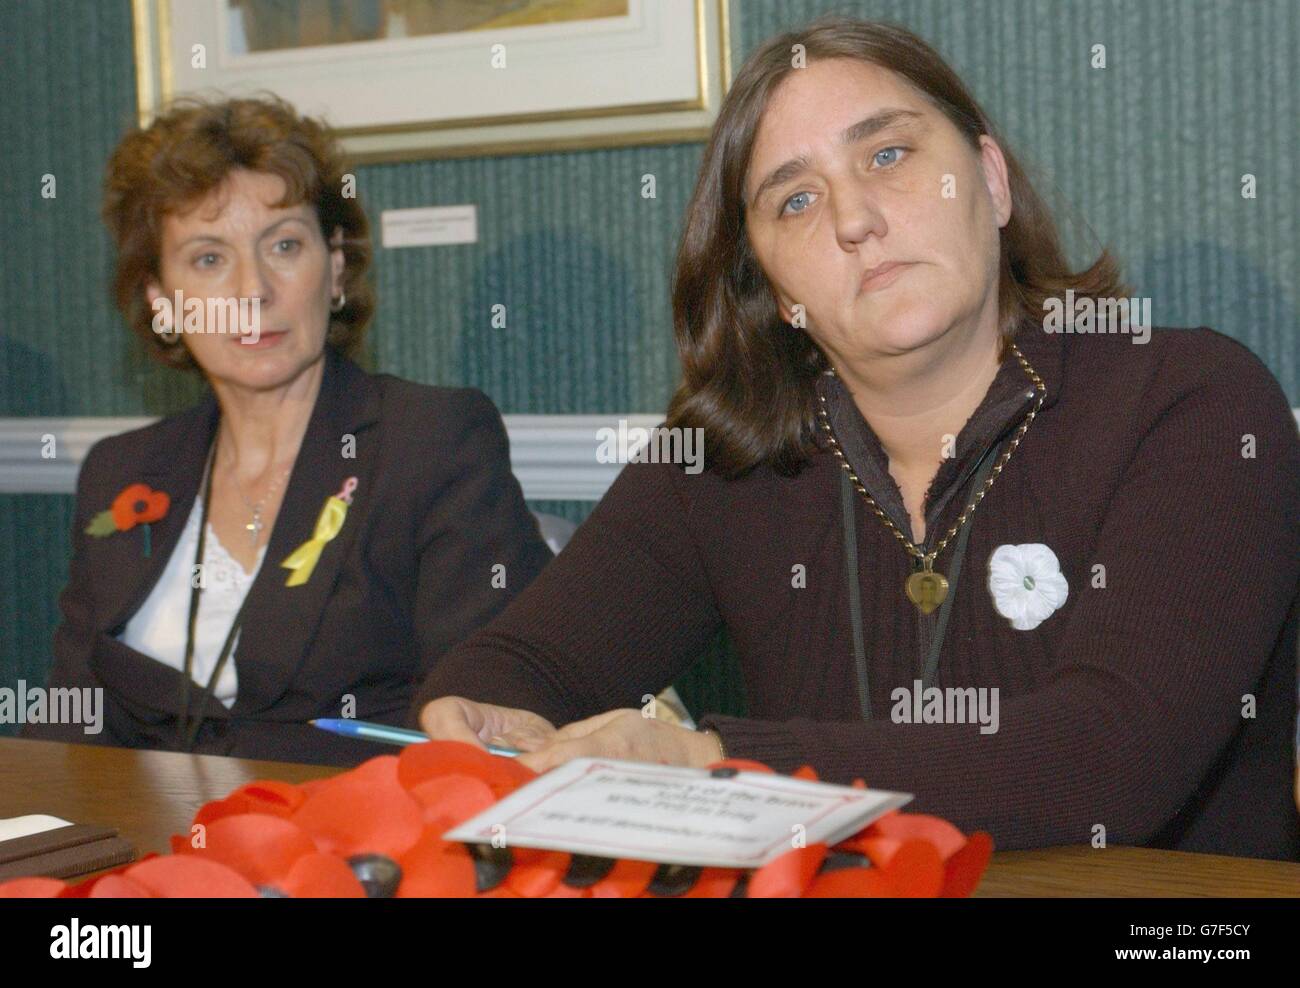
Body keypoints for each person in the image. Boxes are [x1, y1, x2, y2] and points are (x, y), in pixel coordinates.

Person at [413, 17, 1300, 859]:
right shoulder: (725, 459)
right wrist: (485, 715)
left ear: (990, 180)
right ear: (772, 286)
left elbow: (1112, 759)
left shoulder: (1192, 404)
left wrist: (719, 763)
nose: (854, 219)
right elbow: (517, 664)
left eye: (888, 154)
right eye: (795, 200)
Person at [23, 96, 552, 765]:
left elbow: (493, 703)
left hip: (354, 849)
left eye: (284, 245)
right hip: (139, 853)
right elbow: (74, 726)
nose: (254, 289)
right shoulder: (122, 470)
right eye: (209, 259)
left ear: (333, 269)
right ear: (160, 299)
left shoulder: (433, 441)